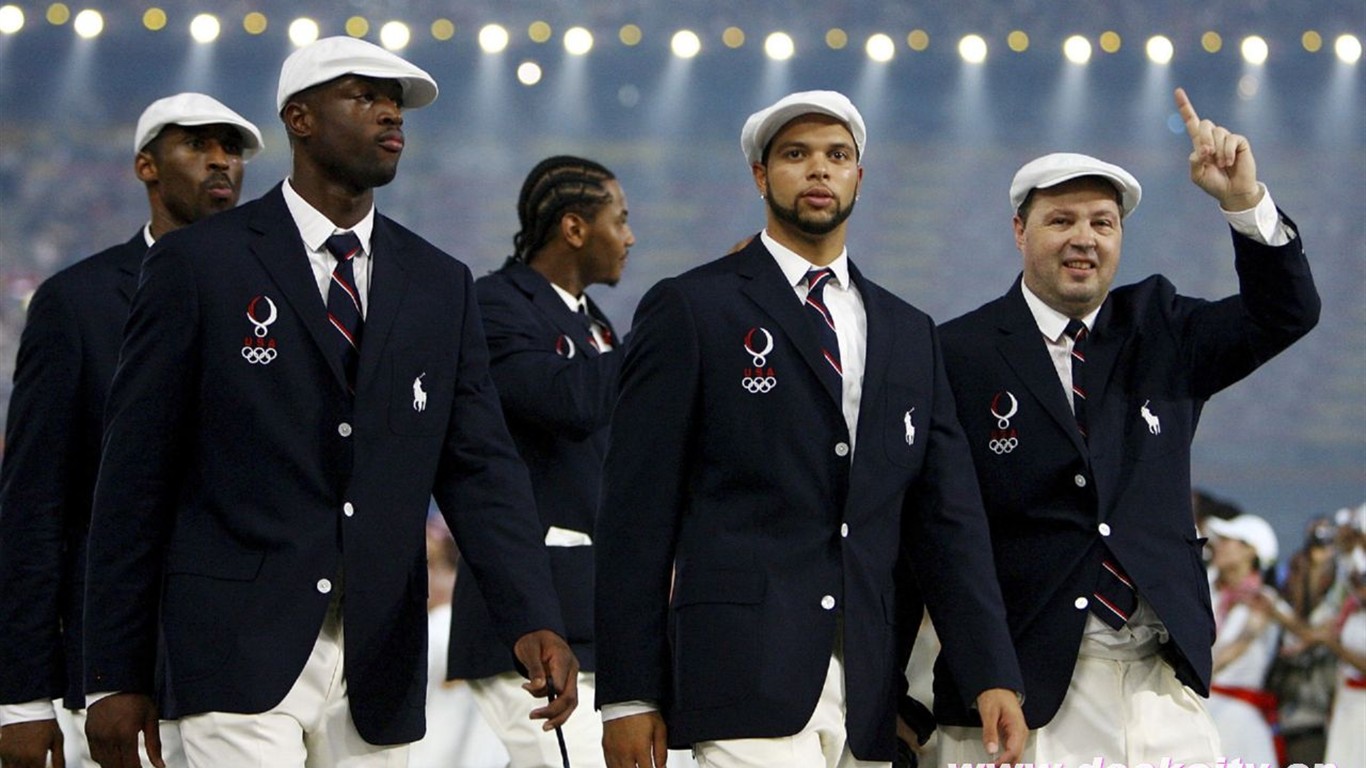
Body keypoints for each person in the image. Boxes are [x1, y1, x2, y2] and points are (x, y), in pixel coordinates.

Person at [80, 37, 577, 768]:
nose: (389, 115)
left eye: (396, 104)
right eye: (364, 96)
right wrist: (112, 676)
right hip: (233, 648)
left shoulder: (440, 282)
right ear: (300, 118)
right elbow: (132, 479)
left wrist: (532, 615)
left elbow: (480, 469)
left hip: (378, 657)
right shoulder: (197, 264)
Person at [594, 90, 1027, 768]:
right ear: (761, 177)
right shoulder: (692, 308)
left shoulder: (909, 332)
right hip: (742, 673)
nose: (819, 171)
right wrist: (627, 695)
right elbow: (635, 515)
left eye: (838, 156)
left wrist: (991, 671)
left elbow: (949, 521)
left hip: (871, 691)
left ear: (860, 176)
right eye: (796, 155)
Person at [935, 87, 1321, 766]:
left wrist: (1243, 202)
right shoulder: (956, 353)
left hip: (1161, 680)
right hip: (1030, 685)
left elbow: (1285, 313)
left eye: (1103, 223)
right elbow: (939, 532)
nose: (1084, 238)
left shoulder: (1161, 327)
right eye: (1061, 220)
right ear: (1020, 231)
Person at [0, 92, 263, 768]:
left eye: (230, 148)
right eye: (196, 144)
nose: (219, 161)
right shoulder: (78, 303)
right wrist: (21, 699)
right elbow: (33, 506)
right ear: (146, 165)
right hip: (120, 676)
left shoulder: (280, 300)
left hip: (252, 667)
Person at [446, 155, 633, 767]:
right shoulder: (493, 305)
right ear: (575, 228)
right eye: (620, 220)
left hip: (595, 621)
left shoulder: (595, 324)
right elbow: (566, 400)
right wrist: (666, 336)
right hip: (527, 626)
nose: (629, 237)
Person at [1204, 514, 1281, 765]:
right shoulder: (1210, 594)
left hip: (1237, 719)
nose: (1219, 545)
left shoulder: (1265, 601)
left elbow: (1239, 646)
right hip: (1203, 709)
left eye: (1228, 540)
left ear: (1251, 551)